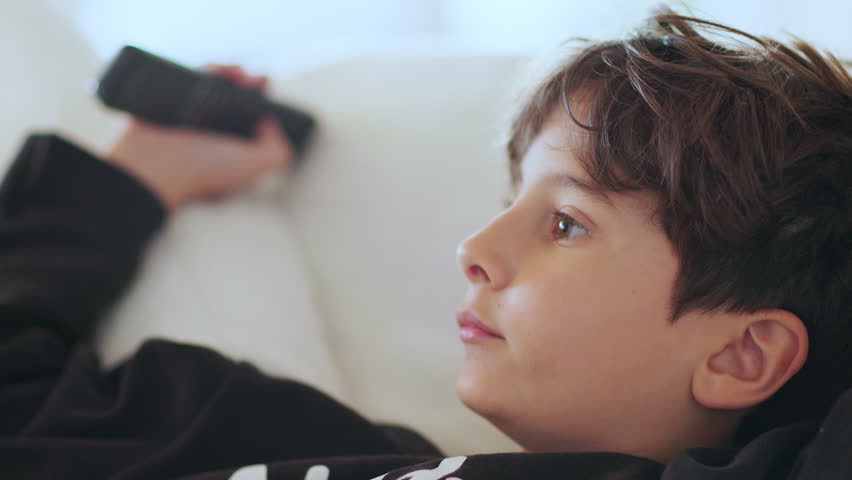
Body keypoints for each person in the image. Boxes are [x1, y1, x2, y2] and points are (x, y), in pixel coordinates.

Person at [1, 10, 850, 480]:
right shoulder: (271, 436)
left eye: (566, 223)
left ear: (743, 354)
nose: (473, 249)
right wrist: (135, 177)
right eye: (508, 201)